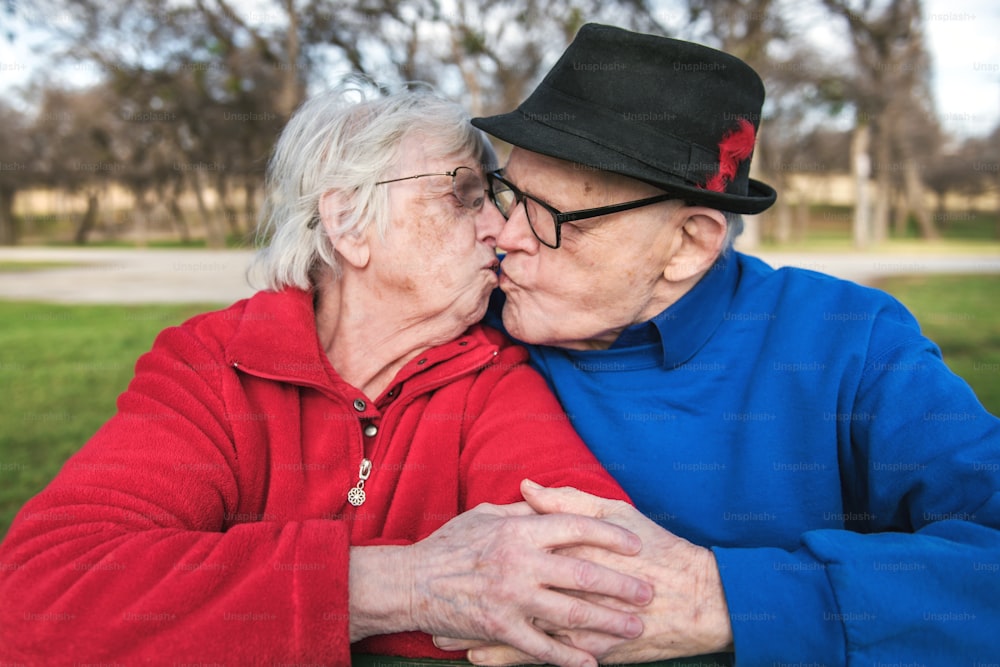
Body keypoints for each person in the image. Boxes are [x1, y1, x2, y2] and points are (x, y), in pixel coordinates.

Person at [0, 85, 657, 667]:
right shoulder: (211, 364)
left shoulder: (496, 371)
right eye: (465, 193)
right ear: (347, 223)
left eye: (497, 197)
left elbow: (593, 580)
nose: (503, 228)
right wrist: (405, 586)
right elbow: (41, 600)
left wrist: (213, 605)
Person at [434, 23, 1000, 666]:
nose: (504, 236)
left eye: (550, 216)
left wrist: (723, 599)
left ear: (688, 245)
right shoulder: (462, 315)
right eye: (507, 194)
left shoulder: (846, 340)